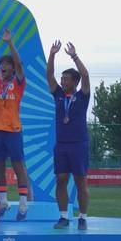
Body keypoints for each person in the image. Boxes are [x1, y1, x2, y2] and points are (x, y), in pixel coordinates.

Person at [0, 28, 30, 220]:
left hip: (13, 130)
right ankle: (3, 201)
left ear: (12, 68)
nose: (2, 66)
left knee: (18, 165)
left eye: (6, 64)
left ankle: (23, 204)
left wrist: (10, 43)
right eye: (1, 64)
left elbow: (19, 63)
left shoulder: (18, 82)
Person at [47, 41, 91, 230]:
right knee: (61, 179)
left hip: (79, 144)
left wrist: (74, 56)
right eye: (62, 79)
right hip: (62, 145)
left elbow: (85, 75)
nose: (62, 82)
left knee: (80, 180)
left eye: (66, 79)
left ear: (75, 82)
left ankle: (82, 217)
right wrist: (52, 54)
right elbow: (49, 75)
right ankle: (64, 216)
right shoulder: (58, 95)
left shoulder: (82, 95)